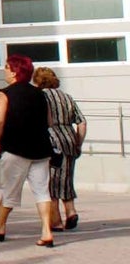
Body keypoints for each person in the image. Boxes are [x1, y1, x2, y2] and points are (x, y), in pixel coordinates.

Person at [0, 54, 56, 247]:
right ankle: (47, 232)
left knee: (9, 191)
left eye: (7, 67)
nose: (4, 70)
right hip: (41, 149)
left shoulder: (5, 93)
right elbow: (49, 122)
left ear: (15, 71)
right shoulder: (40, 94)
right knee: (42, 191)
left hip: (15, 148)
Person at [34, 66, 87, 232]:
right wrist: (78, 142)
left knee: (51, 181)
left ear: (37, 81)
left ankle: (55, 221)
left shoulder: (40, 97)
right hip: (69, 139)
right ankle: (71, 211)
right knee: (66, 178)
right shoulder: (67, 97)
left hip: (51, 141)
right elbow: (82, 122)